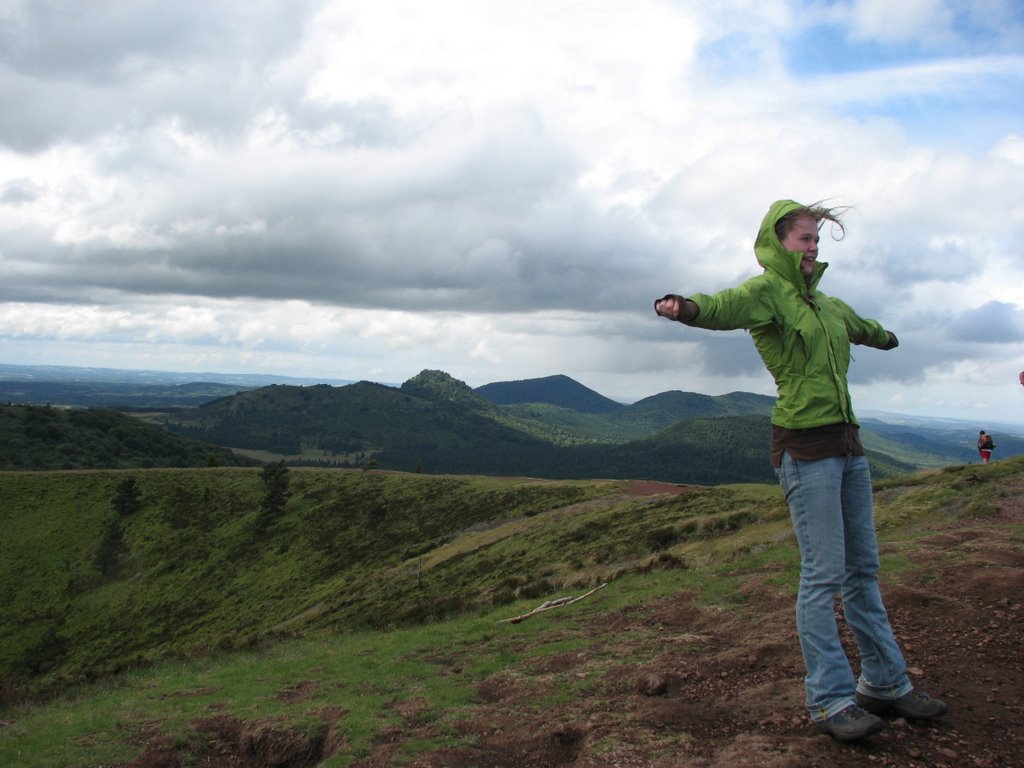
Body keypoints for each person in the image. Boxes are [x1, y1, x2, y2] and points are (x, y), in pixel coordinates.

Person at [654, 199, 947, 742]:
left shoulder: (828, 305)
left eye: (816, 240)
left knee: (864, 569)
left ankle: (885, 683)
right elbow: (722, 307)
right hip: (803, 446)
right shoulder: (766, 293)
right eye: (803, 239)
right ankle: (832, 698)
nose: (812, 248)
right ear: (778, 243)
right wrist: (685, 308)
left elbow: (860, 327)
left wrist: (886, 337)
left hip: (847, 443)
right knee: (824, 574)